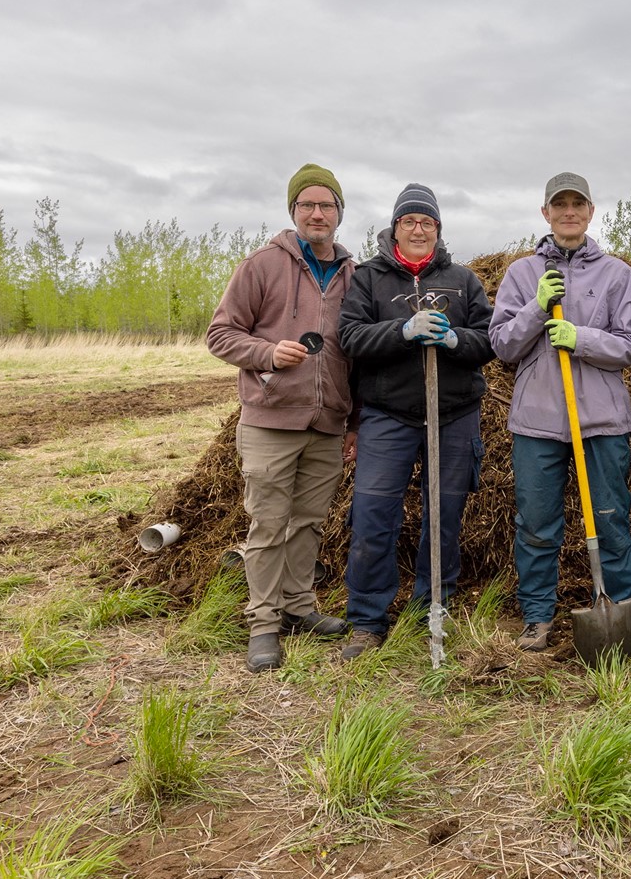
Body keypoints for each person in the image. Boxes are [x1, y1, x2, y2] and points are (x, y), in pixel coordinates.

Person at [207, 163, 357, 673]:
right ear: (293, 211)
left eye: (327, 205)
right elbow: (221, 334)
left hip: (327, 421)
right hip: (270, 418)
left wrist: (352, 420)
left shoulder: (352, 274)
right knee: (268, 524)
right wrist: (269, 354)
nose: (318, 213)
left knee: (308, 523)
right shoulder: (262, 265)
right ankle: (264, 624)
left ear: (339, 213)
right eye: (308, 205)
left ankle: (299, 607)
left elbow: (354, 354)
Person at [337, 183, 495, 661]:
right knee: (372, 517)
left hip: (454, 415)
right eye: (410, 221)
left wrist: (455, 342)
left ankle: (434, 607)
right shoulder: (369, 279)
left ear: (438, 229)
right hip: (389, 415)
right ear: (396, 228)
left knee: (443, 517)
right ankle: (366, 619)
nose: (419, 228)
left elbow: (490, 341)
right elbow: (349, 336)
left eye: (427, 222)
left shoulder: (463, 281)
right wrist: (402, 331)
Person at [489, 173, 631, 651]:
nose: (569, 212)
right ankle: (537, 617)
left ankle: (624, 616)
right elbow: (502, 346)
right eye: (560, 205)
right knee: (536, 525)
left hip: (601, 421)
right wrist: (537, 309)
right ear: (545, 214)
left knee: (610, 520)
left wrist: (580, 338)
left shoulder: (616, 274)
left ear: (591, 211)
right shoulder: (521, 273)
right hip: (537, 422)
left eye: (578, 204)